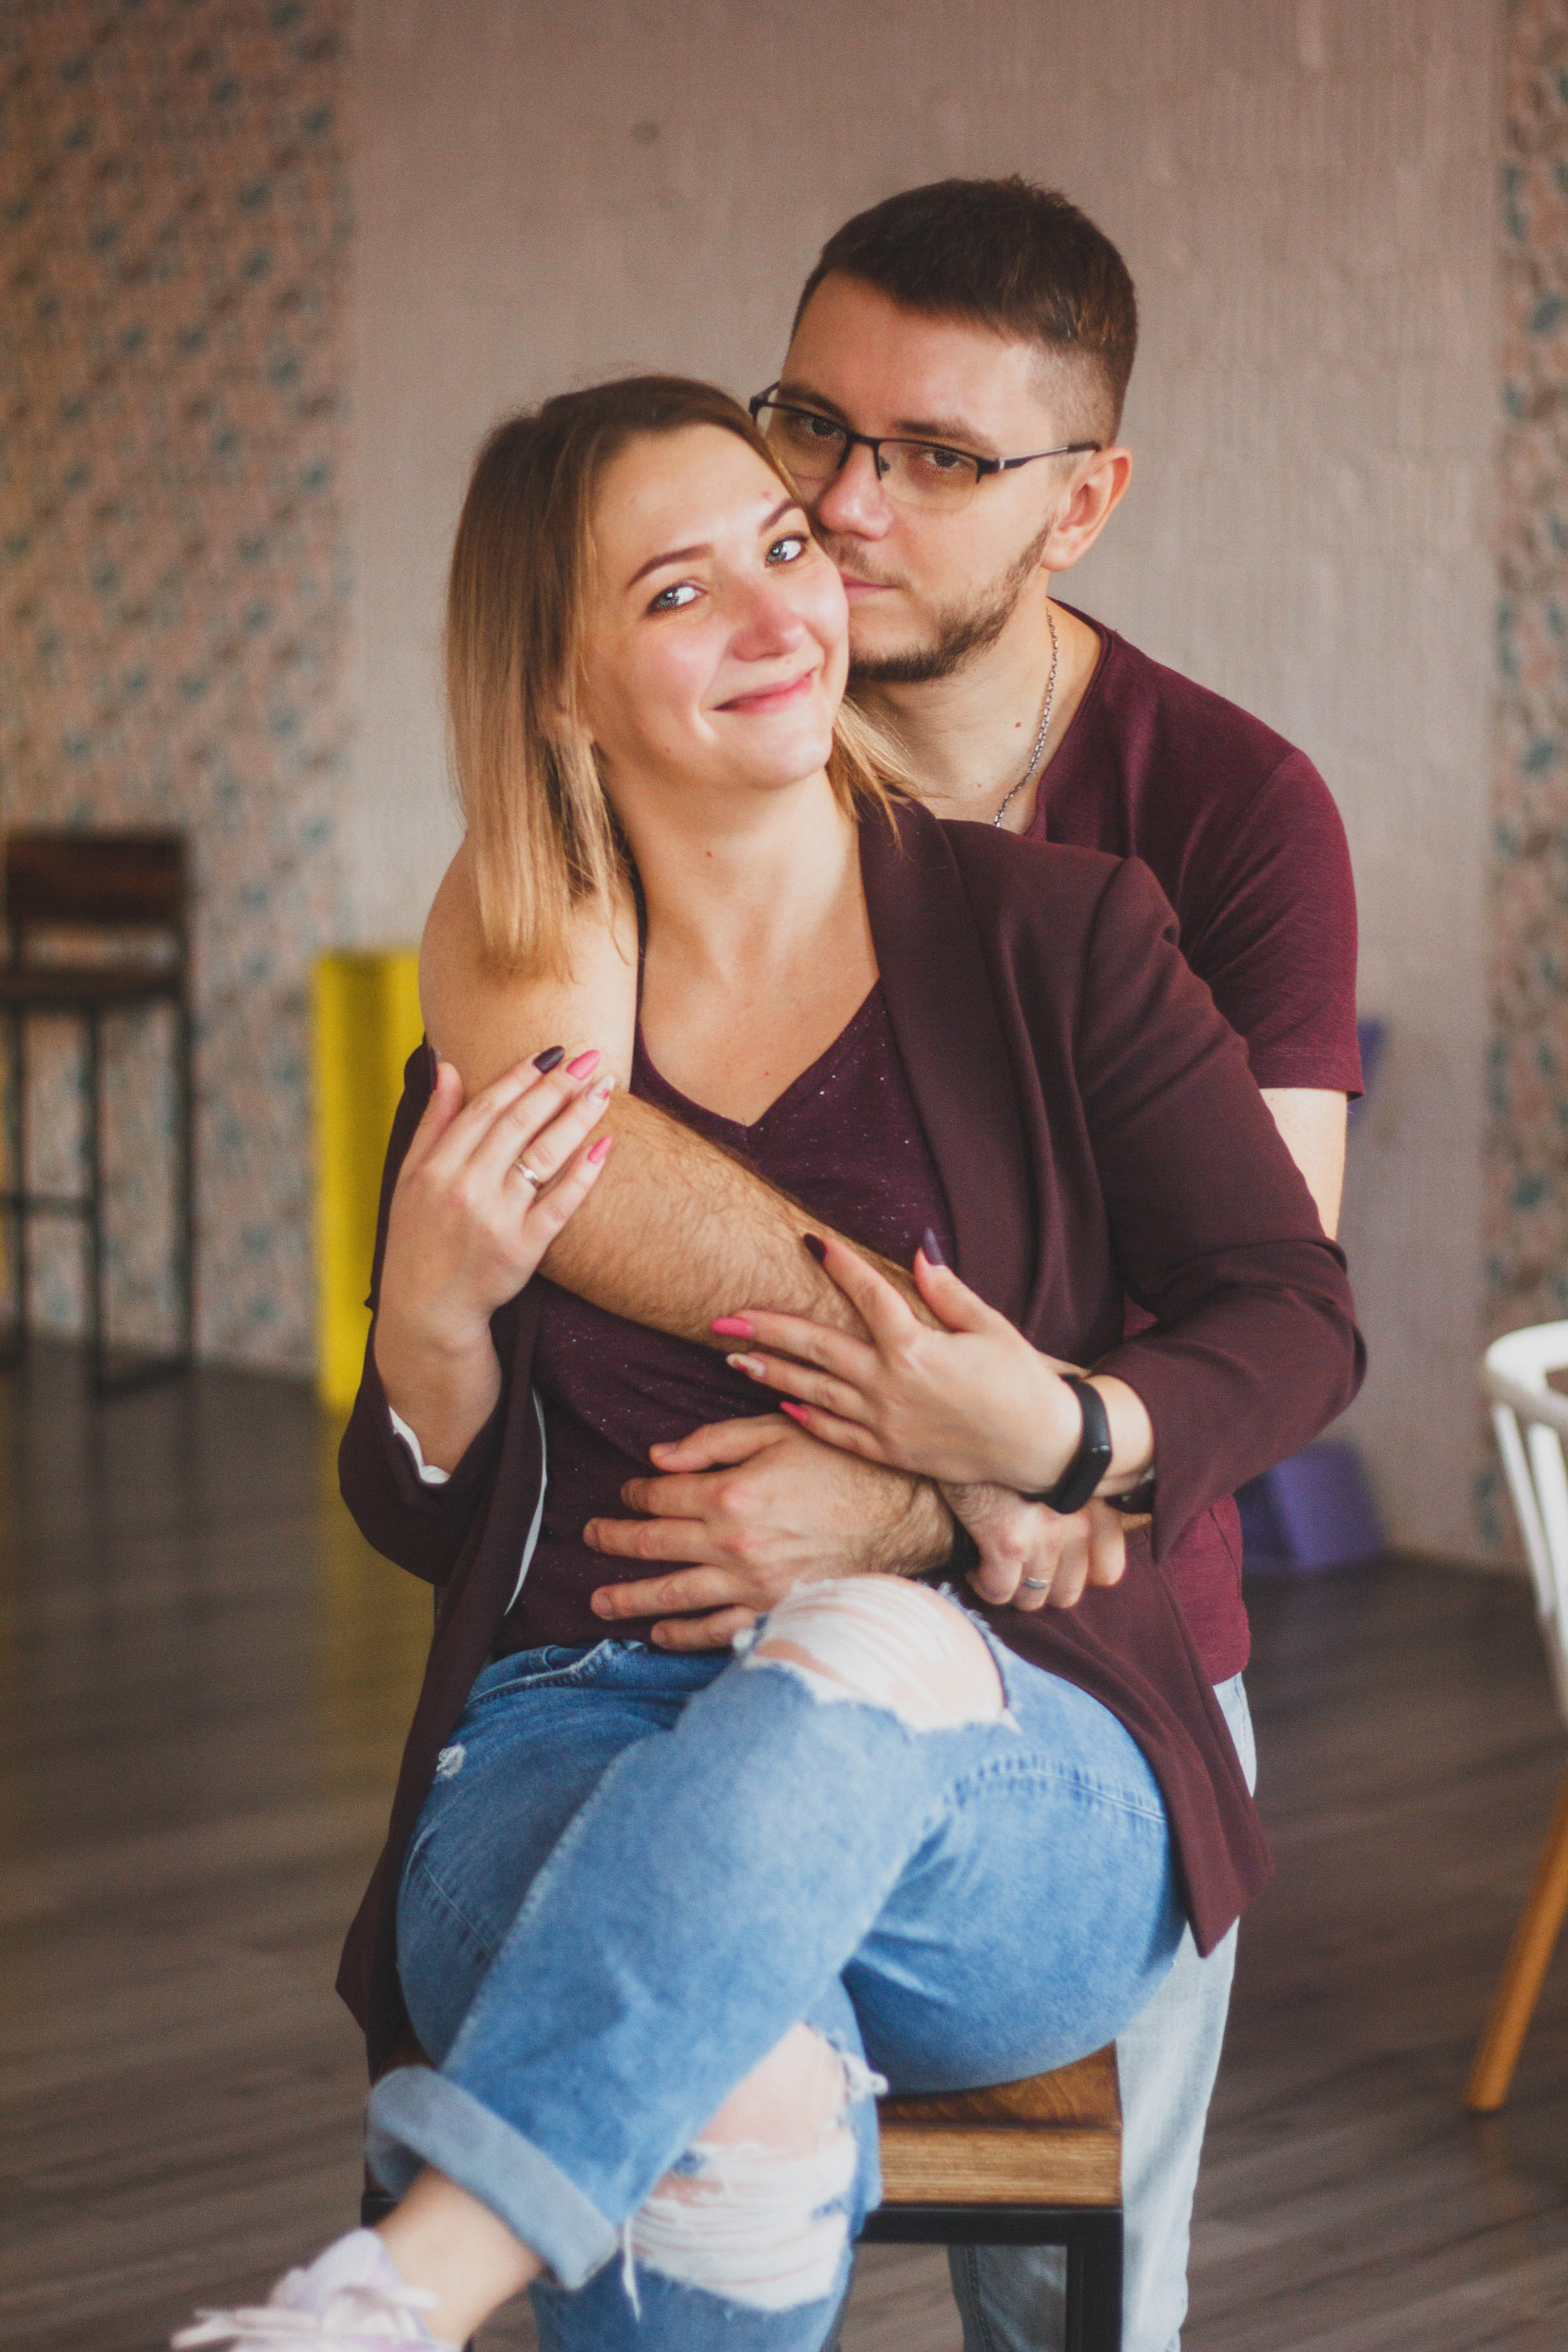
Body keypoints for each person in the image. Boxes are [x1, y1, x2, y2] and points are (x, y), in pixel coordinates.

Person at [171, 378, 1362, 2352]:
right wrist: (431, 1320)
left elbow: (1293, 1310)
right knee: (737, 2091)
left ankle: (410, 2283)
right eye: (676, 592)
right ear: (559, 692)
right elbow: (428, 1513)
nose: (775, 613)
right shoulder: (526, 1000)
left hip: (1009, 1758)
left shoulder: (1059, 936)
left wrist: (1053, 1434)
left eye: (783, 548)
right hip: (568, 1737)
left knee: (863, 1646)